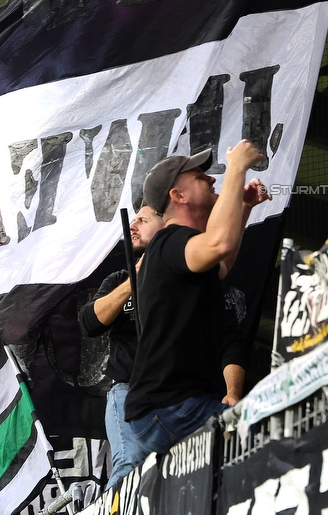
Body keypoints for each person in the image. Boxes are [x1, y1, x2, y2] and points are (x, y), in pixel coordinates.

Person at [124, 141, 270, 464]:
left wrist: (243, 207)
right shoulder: (170, 240)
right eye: (200, 176)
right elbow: (219, 244)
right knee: (263, 438)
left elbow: (221, 264)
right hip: (168, 406)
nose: (212, 179)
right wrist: (237, 167)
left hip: (163, 409)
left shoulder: (178, 250)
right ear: (178, 195)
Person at [79, 204, 164, 489]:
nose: (132, 226)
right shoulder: (118, 280)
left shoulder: (184, 276)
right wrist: (132, 282)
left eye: (143, 220)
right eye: (133, 219)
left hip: (176, 392)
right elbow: (90, 323)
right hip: (129, 389)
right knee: (130, 463)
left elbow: (228, 338)